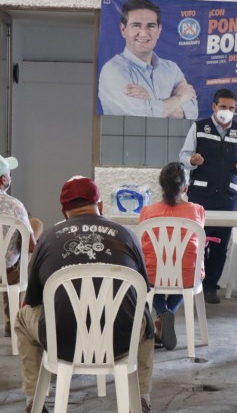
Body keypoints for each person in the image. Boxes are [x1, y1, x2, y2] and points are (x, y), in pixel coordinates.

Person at [14, 177, 154, 413]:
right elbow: (143, 289)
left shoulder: (47, 238)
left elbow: (34, 300)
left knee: (22, 317)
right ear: (101, 205)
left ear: (63, 211)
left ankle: (32, 400)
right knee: (146, 314)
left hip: (62, 341)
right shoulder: (127, 235)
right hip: (121, 340)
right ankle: (141, 398)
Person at [179, 88, 237, 304]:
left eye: (231, 108)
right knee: (198, 242)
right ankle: (197, 284)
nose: (227, 111)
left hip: (228, 196)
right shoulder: (199, 127)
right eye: (223, 107)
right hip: (201, 195)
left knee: (221, 245)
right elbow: (183, 155)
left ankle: (211, 287)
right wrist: (192, 160)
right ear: (214, 107)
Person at [139, 162, 205, 350]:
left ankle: (161, 312)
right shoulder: (197, 210)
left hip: (154, 275)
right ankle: (166, 314)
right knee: (185, 270)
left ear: (162, 187)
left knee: (150, 274)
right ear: (185, 187)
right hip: (187, 275)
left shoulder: (147, 212)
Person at [99, 0, 198, 119]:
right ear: (123, 29)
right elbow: (141, 113)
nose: (143, 33)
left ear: (159, 30)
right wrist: (180, 98)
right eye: (136, 25)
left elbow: (193, 112)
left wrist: (151, 102)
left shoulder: (171, 69)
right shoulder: (112, 70)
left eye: (151, 26)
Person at [0, 154, 42, 338]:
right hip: (7, 272)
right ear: (3, 179)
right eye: (10, 174)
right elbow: (31, 247)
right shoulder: (14, 205)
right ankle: (13, 319)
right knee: (34, 230)